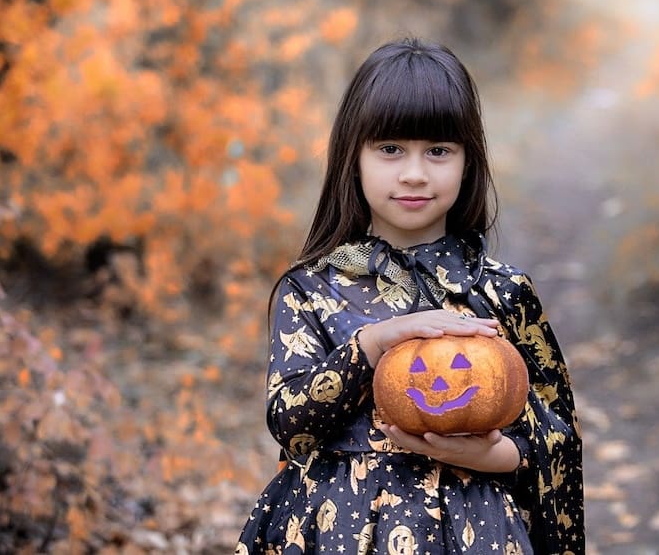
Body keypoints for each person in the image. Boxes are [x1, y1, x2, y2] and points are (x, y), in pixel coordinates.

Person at [235, 37, 584, 554]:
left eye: (438, 151)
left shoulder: (503, 290)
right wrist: (373, 345)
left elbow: (556, 434)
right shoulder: (312, 289)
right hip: (338, 534)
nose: (415, 173)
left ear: (469, 161)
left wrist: (501, 458)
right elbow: (291, 425)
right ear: (352, 157)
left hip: (475, 535)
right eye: (390, 149)